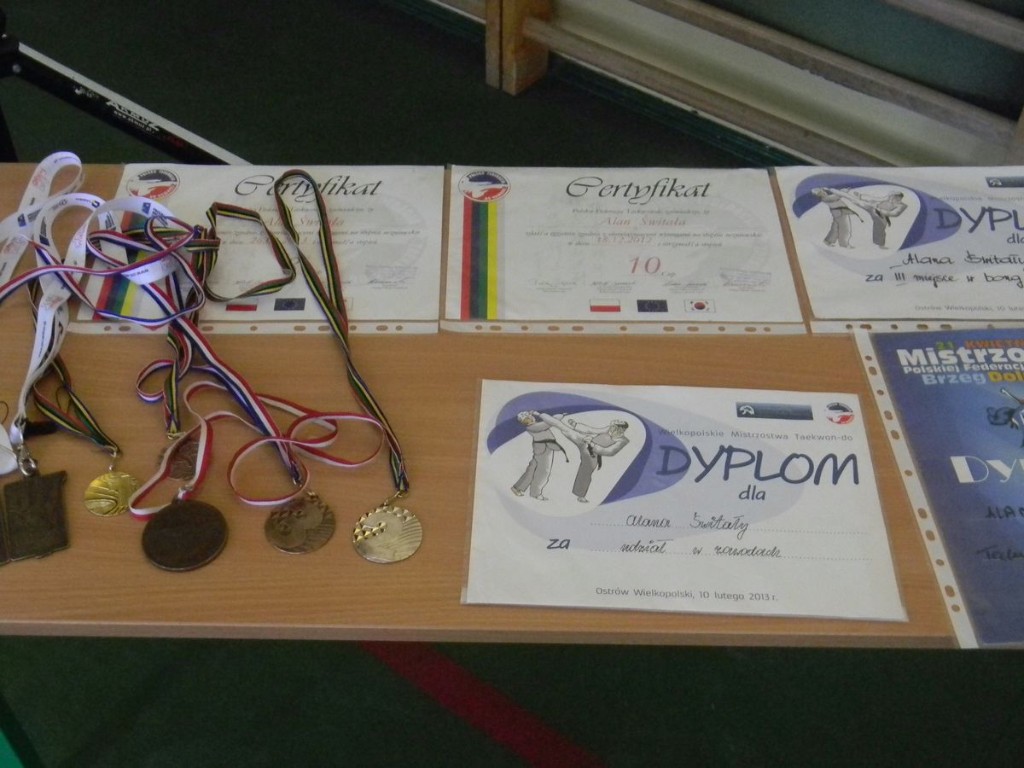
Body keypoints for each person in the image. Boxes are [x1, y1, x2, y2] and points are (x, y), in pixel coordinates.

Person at [536, 413, 629, 503]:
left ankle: (580, 495)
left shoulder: (622, 440)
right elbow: (592, 430)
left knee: (586, 472)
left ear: (622, 430)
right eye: (612, 427)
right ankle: (539, 414)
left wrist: (592, 444)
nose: (611, 430)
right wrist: (576, 426)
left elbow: (609, 452)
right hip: (585, 441)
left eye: (615, 428)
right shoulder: (609, 429)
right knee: (563, 428)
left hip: (592, 454)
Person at [510, 411, 566, 500]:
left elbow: (549, 422)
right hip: (543, 449)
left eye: (529, 417)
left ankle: (517, 488)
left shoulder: (536, 425)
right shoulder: (532, 427)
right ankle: (535, 493)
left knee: (531, 470)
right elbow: (550, 422)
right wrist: (560, 415)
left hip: (544, 448)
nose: (529, 419)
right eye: (526, 419)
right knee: (543, 472)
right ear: (524, 422)